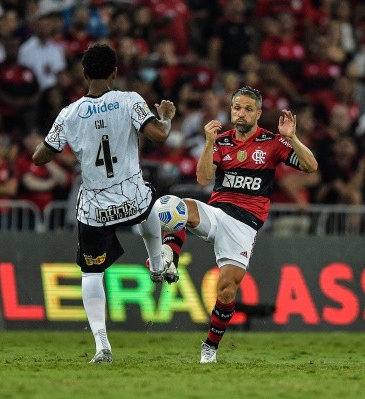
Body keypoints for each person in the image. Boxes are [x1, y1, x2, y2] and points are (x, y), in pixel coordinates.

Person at [32, 43, 176, 364]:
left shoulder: (69, 114)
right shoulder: (129, 100)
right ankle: (156, 262)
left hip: (95, 206)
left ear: (84, 74)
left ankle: (102, 346)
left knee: (91, 273)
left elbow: (41, 158)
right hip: (130, 195)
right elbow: (159, 135)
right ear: (115, 71)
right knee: (147, 202)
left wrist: (46, 145)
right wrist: (165, 116)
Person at [158, 86, 318, 363]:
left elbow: (310, 166)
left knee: (227, 291)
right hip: (217, 213)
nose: (240, 113)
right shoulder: (221, 142)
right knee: (176, 206)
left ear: (258, 113)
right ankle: (168, 258)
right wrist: (209, 143)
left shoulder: (272, 142)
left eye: (247, 109)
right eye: (236, 108)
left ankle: (209, 347)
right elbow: (203, 179)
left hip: (244, 226)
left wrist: (292, 138)